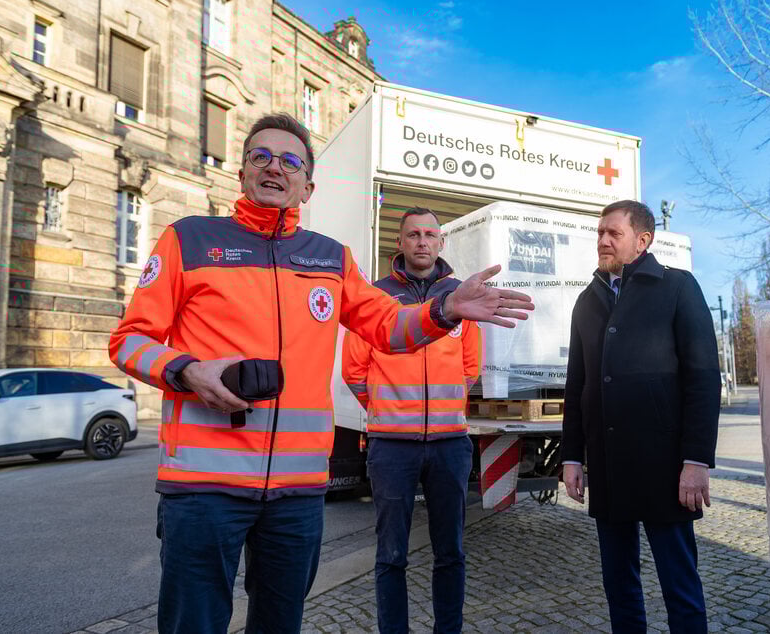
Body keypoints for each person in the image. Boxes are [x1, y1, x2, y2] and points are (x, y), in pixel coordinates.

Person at [108, 113, 533, 634]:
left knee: (280, 624)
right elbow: (128, 341)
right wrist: (186, 370)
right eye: (260, 156)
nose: (274, 168)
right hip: (202, 489)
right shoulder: (188, 240)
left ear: (306, 186)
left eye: (290, 161)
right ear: (242, 172)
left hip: (296, 493)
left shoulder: (330, 258)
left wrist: (444, 311)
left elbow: (387, 326)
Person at [560, 199, 719, 633]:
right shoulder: (586, 302)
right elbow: (578, 386)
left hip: (665, 467)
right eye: (599, 233)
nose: (603, 241)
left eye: (614, 233)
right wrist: (572, 456)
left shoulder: (677, 287)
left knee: (679, 584)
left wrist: (696, 460)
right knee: (619, 584)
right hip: (608, 467)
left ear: (643, 240)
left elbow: (703, 377)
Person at [342, 207, 481, 633]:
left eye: (430, 235)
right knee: (391, 556)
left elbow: (471, 366)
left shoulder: (459, 296)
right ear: (399, 243)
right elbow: (354, 370)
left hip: (449, 444)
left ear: (441, 243)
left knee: (451, 552)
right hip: (391, 446)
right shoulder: (374, 297)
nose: (422, 242)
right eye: (413, 235)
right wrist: (388, 408)